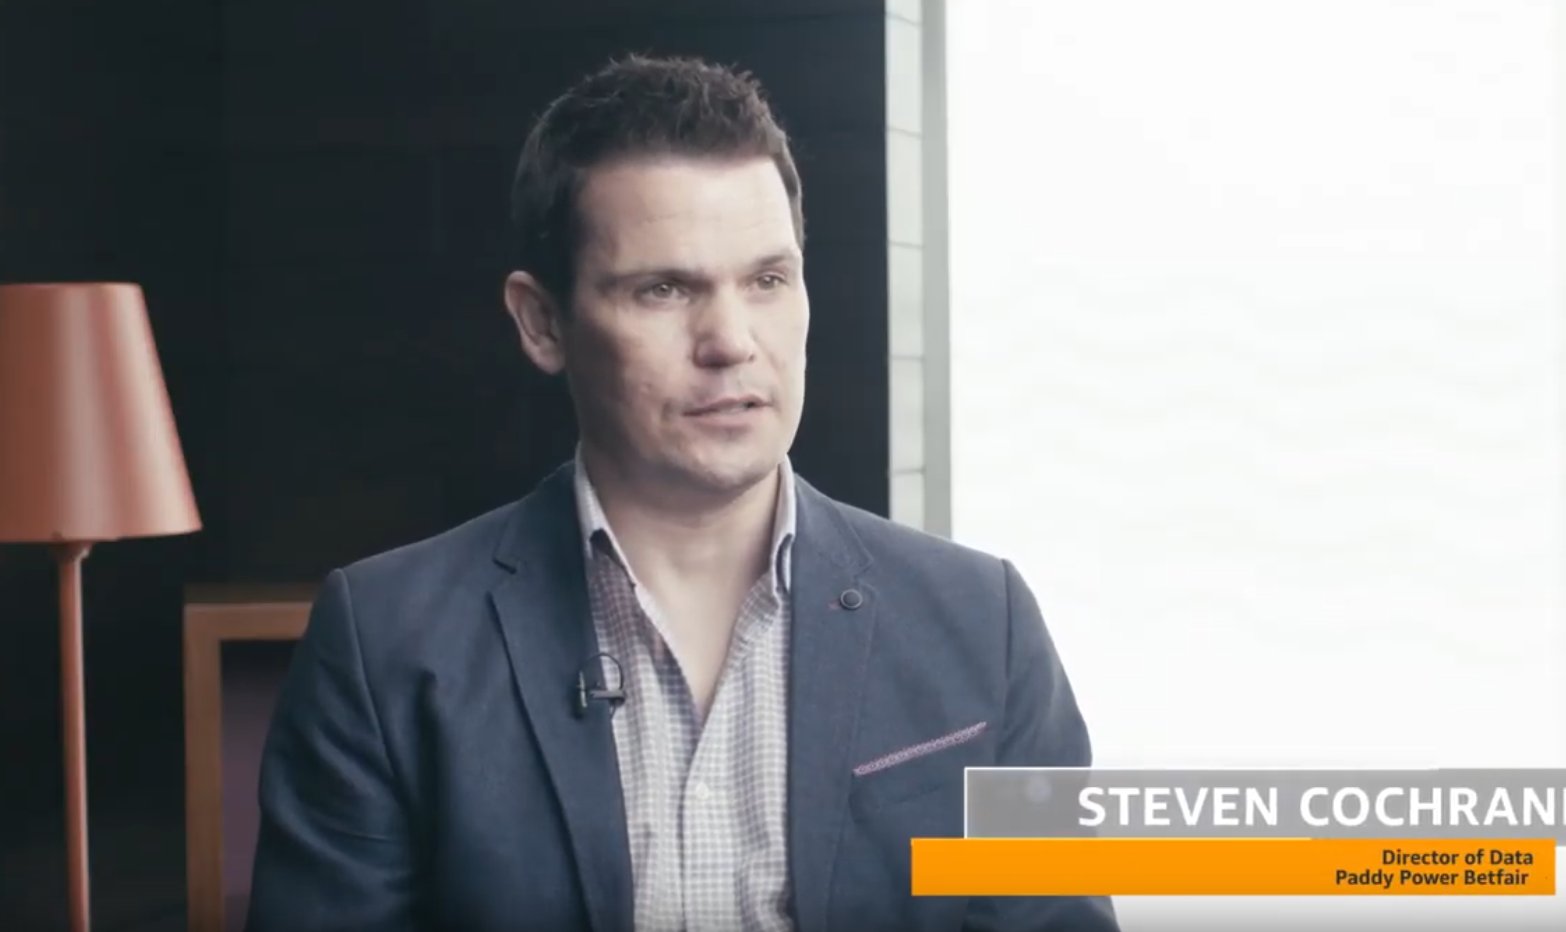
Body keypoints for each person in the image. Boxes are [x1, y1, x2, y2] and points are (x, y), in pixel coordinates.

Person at [245, 54, 1115, 932]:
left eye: (768, 280)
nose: (731, 340)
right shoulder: (385, 642)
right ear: (542, 322)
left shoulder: (982, 622)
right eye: (664, 289)